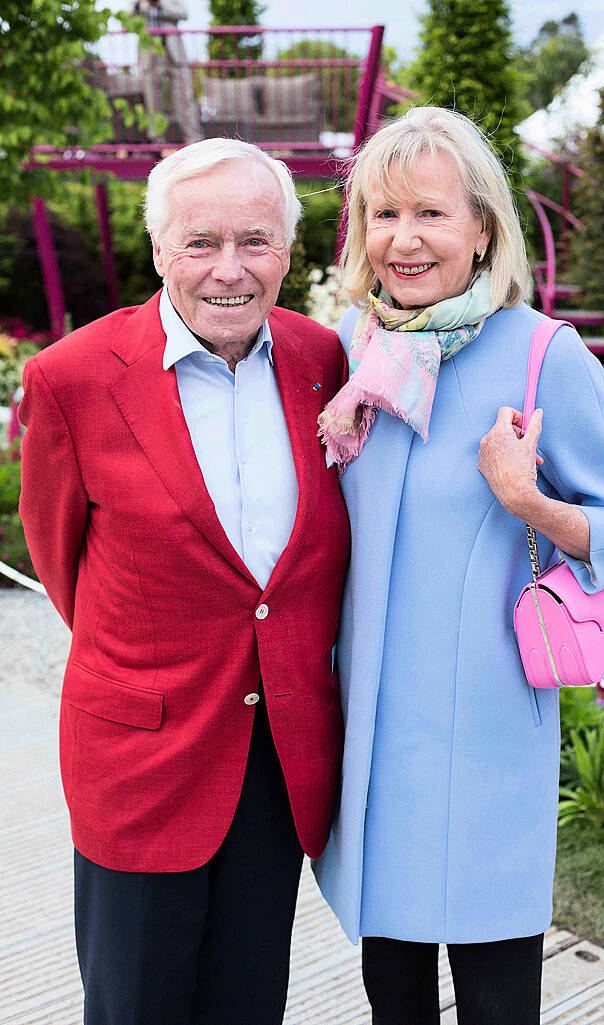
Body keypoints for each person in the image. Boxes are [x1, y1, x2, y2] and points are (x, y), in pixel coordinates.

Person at [314, 106, 604, 1025]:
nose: (404, 239)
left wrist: (529, 503)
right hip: (369, 728)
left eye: (430, 213)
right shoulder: (350, 347)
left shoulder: (544, 354)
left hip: (484, 726)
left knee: (494, 981)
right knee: (391, 982)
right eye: (383, 215)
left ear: (482, 229)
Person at [19, 138, 350, 1025]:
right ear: (159, 250)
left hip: (278, 759)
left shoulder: (325, 359)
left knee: (249, 1003)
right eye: (200, 243)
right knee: (135, 1007)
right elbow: (61, 565)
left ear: (289, 248)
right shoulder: (72, 378)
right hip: (141, 762)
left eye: (255, 240)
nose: (230, 270)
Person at [131, 0, 201, 143]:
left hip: (174, 51)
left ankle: (193, 139)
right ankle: (157, 141)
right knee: (152, 98)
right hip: (149, 53)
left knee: (184, 97)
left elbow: (183, 13)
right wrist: (141, 6)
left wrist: (160, 5)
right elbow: (130, 18)